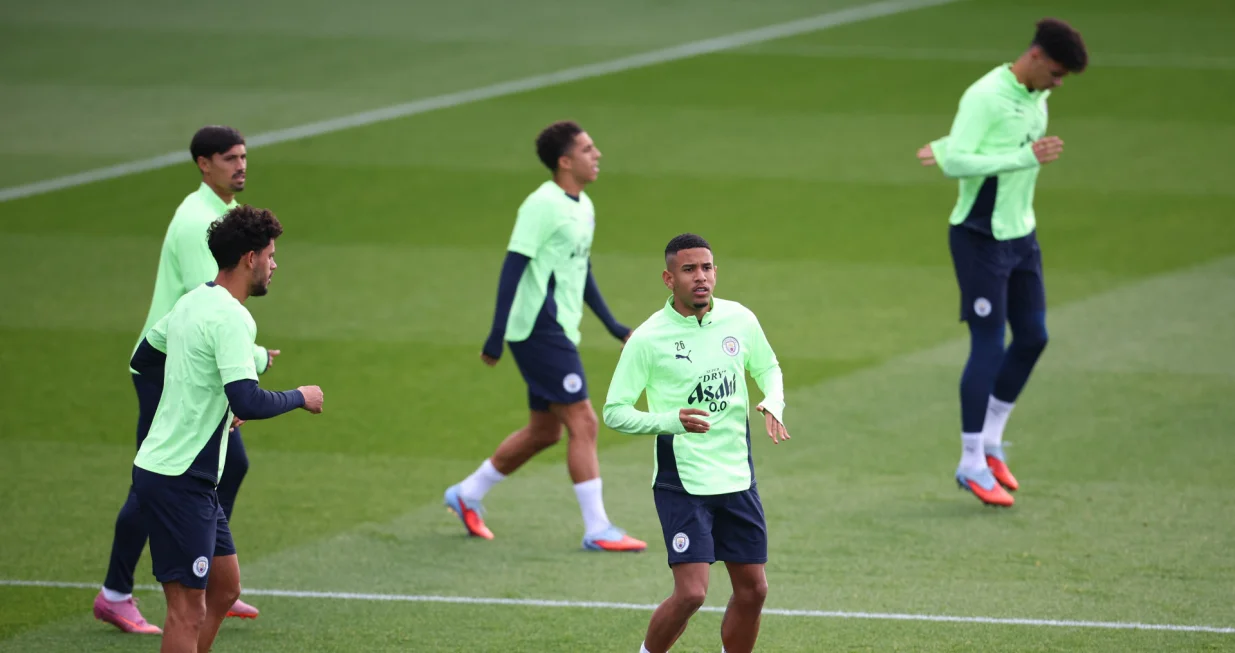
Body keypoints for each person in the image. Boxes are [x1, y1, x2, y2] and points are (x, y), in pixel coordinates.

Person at [94, 126, 271, 633]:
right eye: (230, 158)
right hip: (172, 368)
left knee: (221, 467)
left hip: (189, 363)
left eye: (244, 157)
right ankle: (117, 592)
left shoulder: (222, 215)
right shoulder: (199, 223)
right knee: (159, 479)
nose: (241, 166)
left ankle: (211, 570)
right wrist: (253, 361)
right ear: (203, 164)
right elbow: (213, 304)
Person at [443, 120, 646, 552]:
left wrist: (613, 325)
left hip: (558, 328)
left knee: (545, 431)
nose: (598, 155)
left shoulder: (584, 205)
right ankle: (597, 528)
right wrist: (496, 335)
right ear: (565, 161)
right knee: (584, 421)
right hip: (537, 327)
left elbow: (581, 268)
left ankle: (467, 493)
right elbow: (513, 265)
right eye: (589, 149)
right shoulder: (542, 205)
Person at [129, 205, 323, 653]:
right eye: (271, 255)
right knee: (186, 610)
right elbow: (248, 401)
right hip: (180, 478)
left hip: (188, 477)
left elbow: (145, 359)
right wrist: (300, 396)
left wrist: (201, 398)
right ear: (250, 258)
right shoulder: (233, 317)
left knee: (224, 589)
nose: (275, 265)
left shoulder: (193, 300)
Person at [916, 18, 1088, 508]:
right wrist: (1020, 156)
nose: (1058, 84)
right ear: (1034, 57)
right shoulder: (985, 96)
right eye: (1055, 73)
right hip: (979, 237)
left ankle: (991, 443)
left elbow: (965, 149)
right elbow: (960, 163)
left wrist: (949, 146)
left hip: (1020, 235)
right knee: (989, 347)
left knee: (1034, 337)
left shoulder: (1037, 97)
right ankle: (970, 462)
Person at [603, 233, 789, 653]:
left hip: (737, 477)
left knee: (754, 590)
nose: (700, 277)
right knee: (691, 594)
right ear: (669, 279)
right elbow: (614, 410)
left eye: (706, 268)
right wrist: (672, 421)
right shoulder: (649, 339)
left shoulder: (739, 319)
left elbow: (768, 366)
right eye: (689, 270)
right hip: (682, 483)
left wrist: (773, 400)